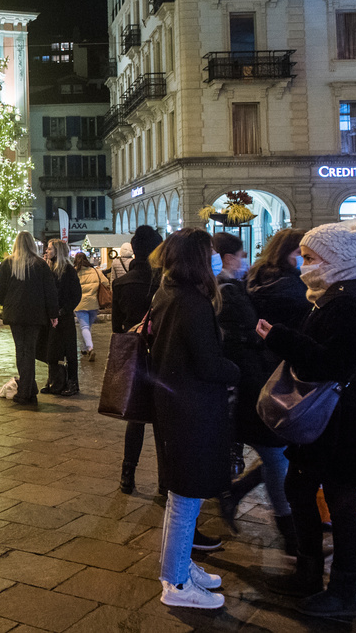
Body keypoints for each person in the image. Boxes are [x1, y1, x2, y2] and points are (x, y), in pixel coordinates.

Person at [257, 219, 356, 621]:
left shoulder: (347, 305)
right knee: (298, 488)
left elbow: (333, 363)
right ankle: (308, 572)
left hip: (344, 424)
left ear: (334, 261)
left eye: (311, 257)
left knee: (339, 504)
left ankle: (342, 592)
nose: (303, 264)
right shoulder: (328, 297)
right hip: (327, 422)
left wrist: (280, 338)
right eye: (302, 255)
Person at [149, 228, 239, 610]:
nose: (216, 259)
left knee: (181, 495)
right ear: (198, 260)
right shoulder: (193, 304)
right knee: (187, 497)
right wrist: (237, 370)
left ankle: (180, 565)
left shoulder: (167, 293)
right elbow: (208, 364)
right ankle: (177, 583)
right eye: (210, 253)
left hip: (174, 407)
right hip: (193, 410)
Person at [212, 232, 296, 556]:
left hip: (252, 382)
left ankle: (238, 495)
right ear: (229, 257)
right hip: (250, 384)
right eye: (241, 253)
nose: (245, 258)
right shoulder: (229, 290)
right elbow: (241, 339)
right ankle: (288, 530)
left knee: (278, 454)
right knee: (277, 454)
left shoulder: (240, 287)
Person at [111, 225, 164, 495]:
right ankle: (164, 482)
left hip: (134, 354)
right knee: (163, 420)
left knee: (136, 418)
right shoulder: (164, 281)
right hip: (162, 355)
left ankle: (127, 476)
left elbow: (117, 327)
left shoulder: (121, 283)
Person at [0, 232, 59, 405]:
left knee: (21, 350)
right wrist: (53, 314)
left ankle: (26, 391)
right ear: (31, 244)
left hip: (15, 314)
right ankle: (29, 390)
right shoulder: (40, 265)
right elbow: (50, 291)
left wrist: (7, 303)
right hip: (35, 315)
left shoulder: (8, 263)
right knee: (29, 350)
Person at [247, 228, 310, 329]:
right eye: (300, 252)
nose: (304, 258)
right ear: (284, 253)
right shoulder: (293, 284)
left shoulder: (257, 275)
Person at [43, 239, 82, 396]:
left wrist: (65, 310)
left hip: (64, 316)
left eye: (50, 248)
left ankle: (72, 383)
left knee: (69, 351)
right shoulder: (50, 268)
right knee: (52, 350)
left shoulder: (67, 270)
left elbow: (76, 294)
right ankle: (54, 380)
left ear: (57, 251)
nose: (47, 250)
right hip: (53, 316)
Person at [73, 252, 102, 362]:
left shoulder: (75, 272)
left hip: (80, 304)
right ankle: (85, 348)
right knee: (88, 327)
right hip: (93, 303)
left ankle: (90, 347)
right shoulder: (95, 271)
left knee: (84, 327)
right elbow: (105, 282)